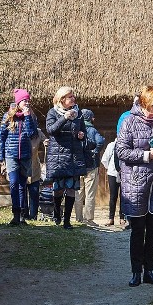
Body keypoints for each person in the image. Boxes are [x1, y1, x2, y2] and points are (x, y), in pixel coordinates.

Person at [116, 85, 153, 287]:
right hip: (136, 185)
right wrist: (147, 155)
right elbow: (121, 152)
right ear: (144, 103)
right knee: (138, 230)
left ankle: (149, 270)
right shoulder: (129, 121)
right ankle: (135, 272)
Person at [45, 86, 93, 229]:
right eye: (70, 97)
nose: (73, 98)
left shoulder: (78, 113)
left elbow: (83, 131)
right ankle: (57, 213)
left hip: (73, 156)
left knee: (72, 188)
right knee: (58, 189)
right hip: (58, 156)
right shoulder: (53, 112)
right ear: (62, 99)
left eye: (73, 96)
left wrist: (81, 135)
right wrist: (64, 118)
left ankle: (67, 221)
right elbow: (51, 130)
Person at [0, 88, 39, 225]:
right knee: (14, 183)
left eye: (28, 101)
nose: (27, 103)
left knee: (22, 185)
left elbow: (32, 134)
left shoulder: (31, 117)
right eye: (24, 100)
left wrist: (27, 116)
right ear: (18, 102)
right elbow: (1, 137)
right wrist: (0, 156)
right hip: (11, 154)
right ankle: (15, 213)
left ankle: (21, 216)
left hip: (25, 155)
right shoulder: (8, 116)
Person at [75, 109, 106, 226]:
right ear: (90, 118)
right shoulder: (92, 130)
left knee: (78, 193)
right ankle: (88, 219)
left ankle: (78, 218)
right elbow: (100, 141)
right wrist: (95, 151)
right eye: (93, 117)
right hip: (91, 165)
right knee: (90, 194)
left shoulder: (76, 129)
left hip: (78, 166)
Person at [100, 138, 126, 227]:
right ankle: (111, 218)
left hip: (125, 173)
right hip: (113, 173)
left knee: (124, 196)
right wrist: (110, 169)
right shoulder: (111, 145)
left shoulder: (127, 145)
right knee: (113, 196)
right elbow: (105, 159)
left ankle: (122, 218)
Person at [23, 129, 46, 221]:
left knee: (34, 192)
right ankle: (24, 214)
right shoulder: (18, 129)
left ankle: (33, 216)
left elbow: (45, 140)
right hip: (22, 166)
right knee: (22, 192)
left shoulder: (38, 132)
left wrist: (46, 142)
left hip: (34, 167)